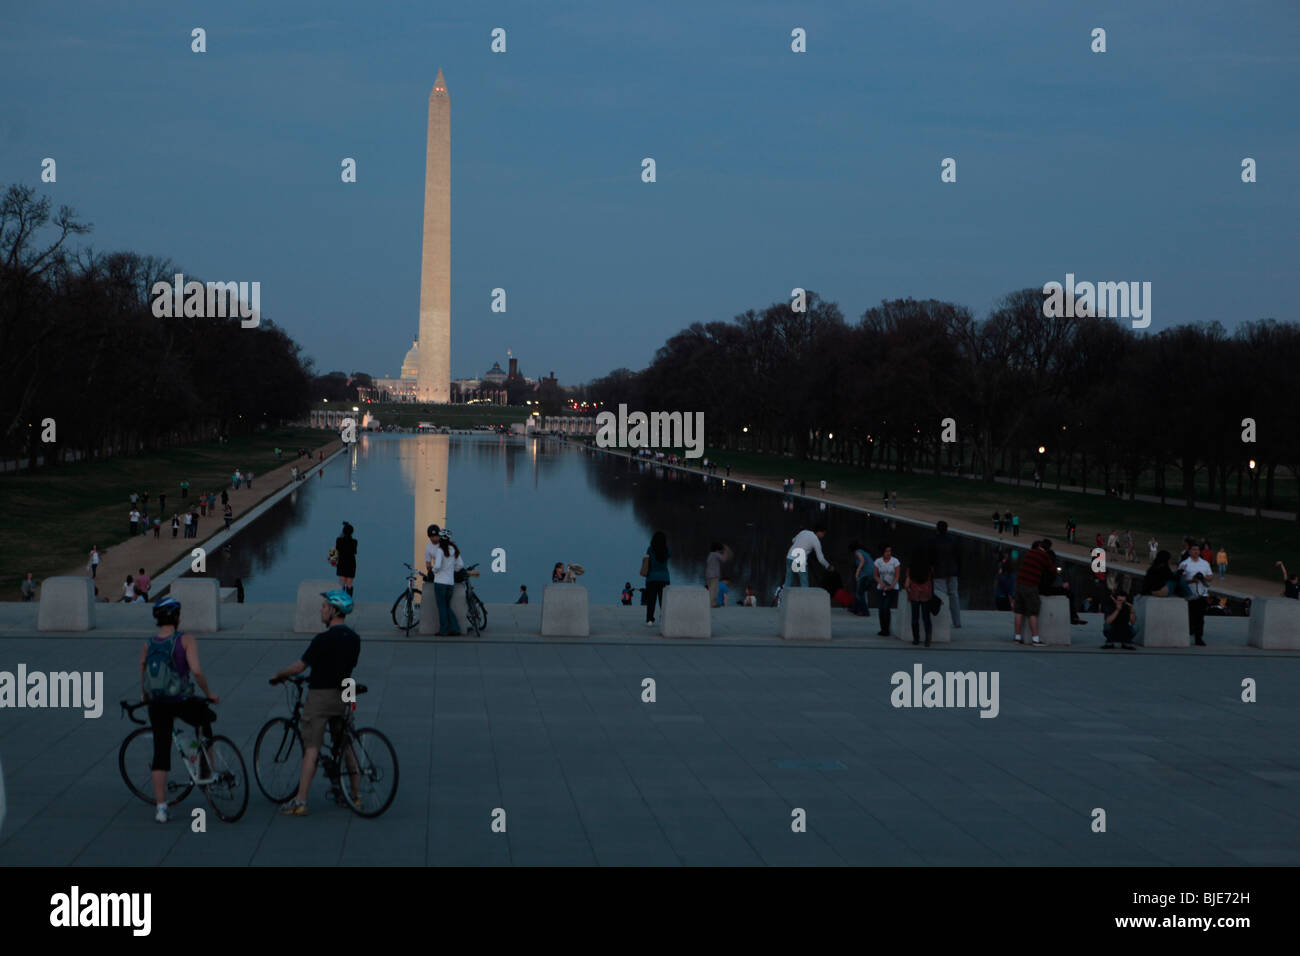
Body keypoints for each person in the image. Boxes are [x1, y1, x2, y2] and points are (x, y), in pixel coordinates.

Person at [269, 590, 361, 816]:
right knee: (346, 745)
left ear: (334, 611)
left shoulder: (322, 640)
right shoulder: (354, 639)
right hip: (344, 695)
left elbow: (300, 667)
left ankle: (300, 801)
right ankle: (355, 796)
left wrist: (279, 674)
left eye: (324, 606)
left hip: (320, 696)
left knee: (312, 748)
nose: (321, 609)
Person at [140, 596, 218, 823]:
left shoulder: (149, 643)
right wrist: (209, 693)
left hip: (157, 701)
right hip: (181, 699)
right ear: (176, 617)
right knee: (204, 720)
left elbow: (143, 668)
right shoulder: (185, 640)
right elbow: (196, 670)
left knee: (160, 752)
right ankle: (207, 771)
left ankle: (161, 807)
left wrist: (144, 694)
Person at [1012, 540, 1054, 646]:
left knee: (1019, 611)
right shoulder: (1044, 556)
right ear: (1048, 549)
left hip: (1019, 583)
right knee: (1033, 612)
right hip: (1030, 585)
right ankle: (1035, 639)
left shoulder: (1030, 552)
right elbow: (1051, 569)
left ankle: (1017, 638)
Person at [1177, 544, 1213, 646]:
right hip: (1189, 594)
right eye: (1193, 549)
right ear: (1189, 551)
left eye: (1197, 549)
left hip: (1202, 594)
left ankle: (1199, 638)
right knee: (1190, 617)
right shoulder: (1184, 564)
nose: (1196, 551)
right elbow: (1180, 580)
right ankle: (1186, 635)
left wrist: (1204, 578)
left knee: (1200, 617)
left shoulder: (1205, 563)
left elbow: (1210, 576)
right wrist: (1192, 580)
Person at [928, 521, 962, 628]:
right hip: (952, 571)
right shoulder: (953, 540)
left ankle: (940, 620)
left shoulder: (934, 541)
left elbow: (931, 557)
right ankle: (957, 621)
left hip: (939, 572)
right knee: (954, 596)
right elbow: (958, 556)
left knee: (940, 596)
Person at [430, 529, 463, 636]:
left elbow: (438, 566)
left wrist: (433, 570)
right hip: (450, 583)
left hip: (440, 582)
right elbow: (460, 565)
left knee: (442, 607)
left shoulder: (440, 550)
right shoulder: (454, 549)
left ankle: (444, 630)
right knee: (447, 606)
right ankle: (456, 629)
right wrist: (452, 570)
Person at [785, 523, 832, 589]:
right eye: (823, 533)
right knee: (804, 585)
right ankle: (804, 599)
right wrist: (828, 566)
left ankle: (782, 598)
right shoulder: (816, 540)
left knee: (788, 582)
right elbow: (820, 558)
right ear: (819, 532)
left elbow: (793, 540)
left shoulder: (804, 532)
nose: (823, 536)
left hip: (790, 557)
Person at [904, 553, 935, 647]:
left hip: (914, 593)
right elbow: (931, 580)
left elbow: (906, 584)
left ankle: (916, 639)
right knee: (926, 618)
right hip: (926, 593)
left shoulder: (911, 566)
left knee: (915, 618)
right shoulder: (929, 566)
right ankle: (928, 639)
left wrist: (908, 592)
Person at [643, 531, 671, 625]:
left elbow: (647, 560)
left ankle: (650, 619)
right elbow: (670, 555)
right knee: (663, 601)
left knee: (651, 600)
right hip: (664, 578)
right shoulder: (667, 550)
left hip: (651, 578)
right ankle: (664, 618)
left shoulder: (650, 549)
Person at [872, 545, 901, 636]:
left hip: (892, 588)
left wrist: (892, 586)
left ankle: (887, 629)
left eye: (889, 551)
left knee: (886, 607)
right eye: (886, 551)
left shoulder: (895, 561)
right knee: (881, 609)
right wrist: (880, 583)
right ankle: (883, 629)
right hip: (881, 588)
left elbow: (897, 576)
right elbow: (875, 575)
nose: (888, 553)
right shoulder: (878, 561)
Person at [848, 540, 872, 617]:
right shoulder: (864, 552)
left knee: (860, 594)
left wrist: (857, 572)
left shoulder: (857, 552)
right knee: (860, 592)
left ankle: (865, 612)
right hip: (871, 574)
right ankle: (854, 609)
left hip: (865, 574)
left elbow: (862, 561)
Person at [335, 522, 357, 595]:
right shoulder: (354, 542)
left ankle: (341, 600)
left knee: (342, 583)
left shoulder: (339, 540)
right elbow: (354, 551)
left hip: (342, 562)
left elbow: (336, 549)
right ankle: (348, 600)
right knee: (349, 583)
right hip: (351, 563)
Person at [705, 542, 726, 607]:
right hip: (714, 575)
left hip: (708, 575)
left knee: (711, 589)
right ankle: (712, 604)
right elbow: (724, 559)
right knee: (714, 590)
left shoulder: (710, 554)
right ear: (717, 549)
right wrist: (725, 552)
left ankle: (711, 603)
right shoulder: (716, 554)